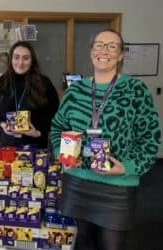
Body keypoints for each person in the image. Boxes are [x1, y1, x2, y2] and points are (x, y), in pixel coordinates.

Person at [50, 29, 161, 250]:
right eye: (99, 45)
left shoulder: (135, 90)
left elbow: (150, 138)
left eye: (112, 46)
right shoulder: (75, 91)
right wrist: (60, 153)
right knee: (84, 243)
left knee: (112, 246)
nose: (105, 51)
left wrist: (126, 167)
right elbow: (57, 128)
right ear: (91, 51)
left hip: (117, 186)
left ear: (120, 55)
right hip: (77, 180)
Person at [0, 41, 59, 149]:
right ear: (11, 59)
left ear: (32, 61)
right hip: (8, 148)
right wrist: (2, 124)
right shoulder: (3, 81)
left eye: (26, 58)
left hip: (36, 148)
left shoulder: (44, 83)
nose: (20, 63)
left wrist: (38, 132)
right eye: (16, 57)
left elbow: (56, 114)